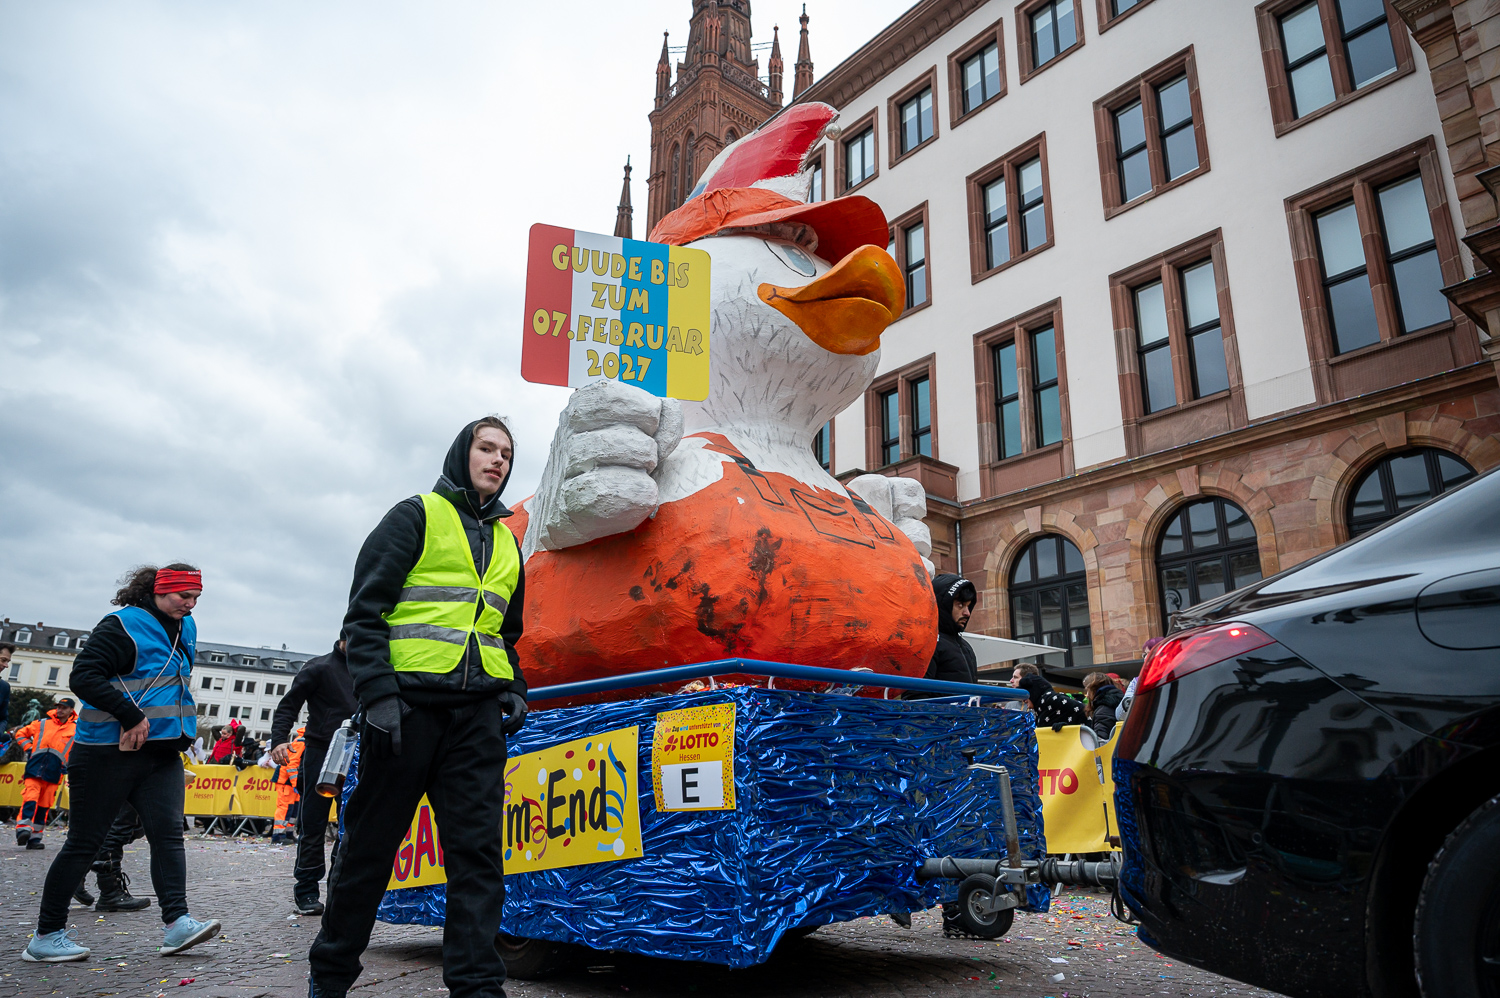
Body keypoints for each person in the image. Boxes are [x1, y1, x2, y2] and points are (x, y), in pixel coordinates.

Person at [308, 417, 529, 998]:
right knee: (368, 852)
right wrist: (379, 696)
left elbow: (504, 632)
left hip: (476, 720)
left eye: (507, 454)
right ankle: (329, 979)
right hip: (405, 713)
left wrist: (514, 686)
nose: (498, 461)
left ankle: (478, 989)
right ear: (461, 454)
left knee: (478, 860)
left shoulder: (508, 542)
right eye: (487, 448)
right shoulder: (414, 516)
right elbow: (364, 616)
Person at [22, 563, 221, 963]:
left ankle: (177, 923)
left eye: (196, 597)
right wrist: (130, 715)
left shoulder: (186, 627)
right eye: (184, 596)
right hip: (106, 751)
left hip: (162, 751)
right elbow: (84, 677)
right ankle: (46, 935)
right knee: (85, 842)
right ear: (159, 589)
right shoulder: (122, 624)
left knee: (168, 837)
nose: (191, 604)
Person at [269, 634, 357, 915]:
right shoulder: (319, 667)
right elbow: (288, 705)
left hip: (358, 753)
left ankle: (339, 889)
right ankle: (306, 890)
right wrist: (278, 740)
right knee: (313, 824)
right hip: (322, 751)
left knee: (350, 827)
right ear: (344, 638)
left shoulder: (369, 669)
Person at [13, 698, 77, 849]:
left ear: (71, 710)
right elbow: (20, 734)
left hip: (55, 771)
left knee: (44, 805)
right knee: (30, 797)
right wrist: (29, 748)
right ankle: (23, 829)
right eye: (58, 707)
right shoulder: (42, 723)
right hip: (35, 768)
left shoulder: (76, 729)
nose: (60, 710)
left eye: (64, 708)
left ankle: (35, 838)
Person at [1015, 672, 1087, 728]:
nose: (1024, 700)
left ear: (1033, 692)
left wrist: (1068, 728)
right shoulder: (1041, 706)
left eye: (1026, 695)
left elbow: (1083, 709)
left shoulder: (1049, 699)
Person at [271, 726, 304, 845]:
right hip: (287, 781)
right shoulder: (302, 742)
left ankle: (288, 833)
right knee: (285, 807)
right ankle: (278, 835)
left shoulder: (303, 741)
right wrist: (296, 783)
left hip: (291, 781)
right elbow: (292, 764)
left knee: (293, 808)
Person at [1083, 672, 1125, 741]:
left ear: (1094, 690)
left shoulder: (1103, 710)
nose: (1087, 695)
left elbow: (1101, 739)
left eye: (1088, 690)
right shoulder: (1120, 703)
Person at [0, 642, 13, 735]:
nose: (6, 665)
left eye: (7, 662)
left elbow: (3, 718)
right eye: (3, 660)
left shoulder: (4, 687)